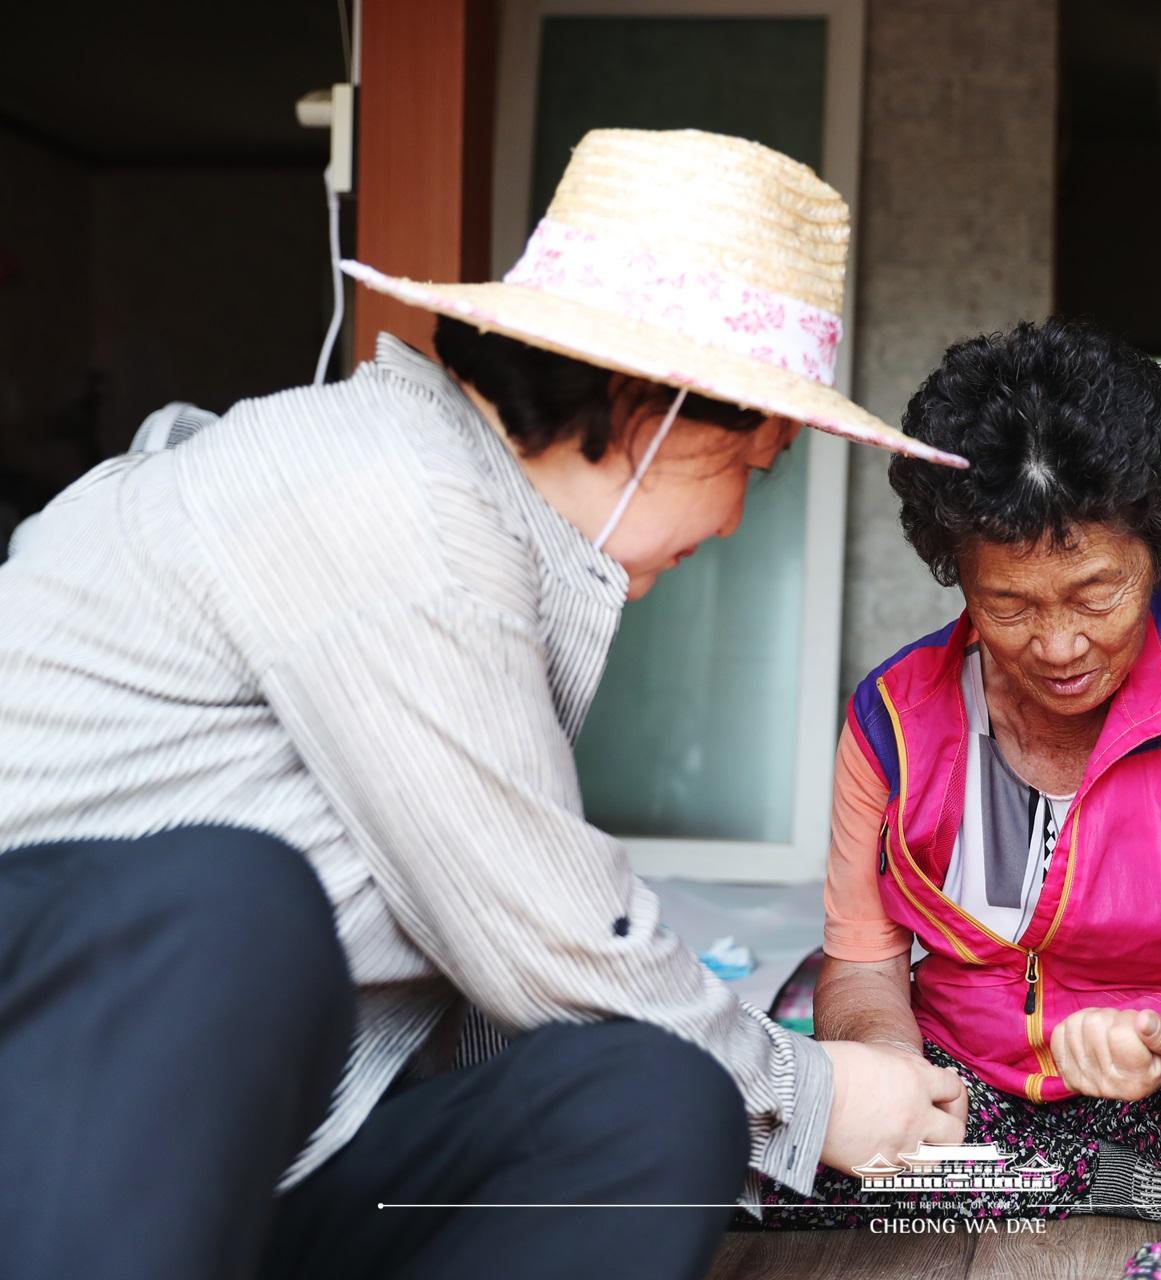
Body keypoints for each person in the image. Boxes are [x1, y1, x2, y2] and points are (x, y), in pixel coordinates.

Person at [0, 129, 971, 1280]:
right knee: (238, 907)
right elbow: (548, 927)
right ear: (642, 407)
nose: (735, 526)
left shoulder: (491, 539)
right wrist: (818, 1090)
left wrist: (747, 1082)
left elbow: (502, 974)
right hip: (55, 1108)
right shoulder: (383, 487)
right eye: (747, 470)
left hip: (245, 1166)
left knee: (656, 1103)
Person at [749, 318, 1161, 1279]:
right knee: (745, 1128)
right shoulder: (892, 717)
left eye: (1097, 595)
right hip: (966, 1108)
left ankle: (1152, 1215)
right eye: (1008, 606)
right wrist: (892, 1076)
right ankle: (1090, 1185)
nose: (1058, 646)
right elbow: (863, 967)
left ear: (1158, 552)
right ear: (957, 576)